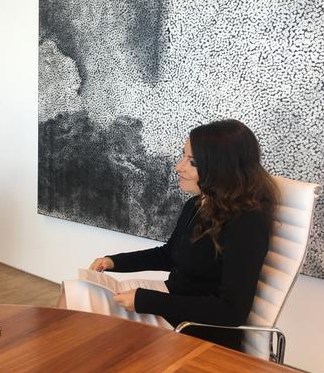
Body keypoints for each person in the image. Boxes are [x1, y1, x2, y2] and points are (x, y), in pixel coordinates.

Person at [60, 119, 278, 350]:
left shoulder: (247, 223)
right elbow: (169, 255)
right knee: (75, 290)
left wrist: (145, 301)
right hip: (173, 300)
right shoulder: (198, 205)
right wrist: (114, 261)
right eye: (183, 156)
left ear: (221, 168)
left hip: (193, 327)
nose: (178, 167)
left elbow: (231, 311)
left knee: (78, 302)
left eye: (191, 162)